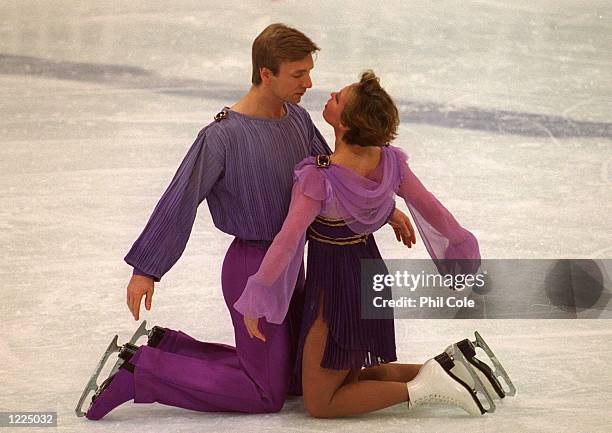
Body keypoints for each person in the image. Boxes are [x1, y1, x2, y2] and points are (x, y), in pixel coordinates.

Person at [84, 24, 415, 420]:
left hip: (293, 266)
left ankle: (171, 347)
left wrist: (385, 210)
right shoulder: (222, 136)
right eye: (298, 74)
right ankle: (142, 371)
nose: (309, 83)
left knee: (295, 378)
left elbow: (335, 182)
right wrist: (146, 270)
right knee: (265, 393)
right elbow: (181, 198)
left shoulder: (296, 120)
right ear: (266, 74)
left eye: (309, 71)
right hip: (251, 267)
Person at [234, 70, 483, 418]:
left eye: (338, 98)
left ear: (346, 125)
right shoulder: (390, 162)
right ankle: (451, 366)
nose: (331, 93)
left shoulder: (318, 178)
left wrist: (258, 294)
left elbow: (287, 241)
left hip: (335, 289)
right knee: (347, 381)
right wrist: (459, 249)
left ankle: (428, 388)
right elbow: (433, 210)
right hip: (370, 273)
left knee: (321, 402)